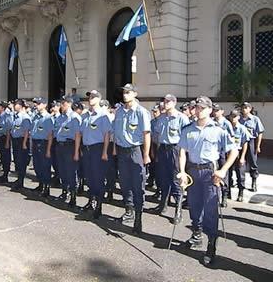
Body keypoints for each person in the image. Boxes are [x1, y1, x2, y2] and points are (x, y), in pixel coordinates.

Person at [177, 96, 238, 266]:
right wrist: (182, 172)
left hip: (210, 174)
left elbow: (233, 151)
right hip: (193, 172)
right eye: (197, 107)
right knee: (194, 206)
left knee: (210, 210)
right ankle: (196, 235)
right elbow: (182, 152)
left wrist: (223, 170)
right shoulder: (188, 129)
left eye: (202, 108)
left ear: (210, 110)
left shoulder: (218, 130)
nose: (199, 110)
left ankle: (211, 244)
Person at [113, 83, 151, 235]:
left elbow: (146, 134)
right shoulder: (120, 111)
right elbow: (116, 132)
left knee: (137, 184)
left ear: (135, 94)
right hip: (122, 151)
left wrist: (146, 154)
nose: (125, 95)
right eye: (124, 92)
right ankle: (129, 210)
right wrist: (115, 148)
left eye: (128, 92)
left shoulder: (141, 112)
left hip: (135, 151)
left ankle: (138, 217)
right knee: (124, 182)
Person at [151, 94, 190, 224]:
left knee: (176, 180)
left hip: (175, 150)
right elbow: (156, 134)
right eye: (164, 101)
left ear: (174, 102)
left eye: (168, 101)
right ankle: (163, 205)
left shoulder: (181, 118)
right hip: (162, 149)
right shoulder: (161, 118)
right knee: (163, 178)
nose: (165, 103)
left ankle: (178, 210)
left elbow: (187, 136)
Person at [80, 90, 111, 219]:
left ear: (99, 99)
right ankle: (91, 200)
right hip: (87, 149)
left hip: (97, 149)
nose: (90, 99)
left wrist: (104, 152)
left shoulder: (103, 115)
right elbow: (81, 133)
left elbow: (107, 135)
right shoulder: (85, 115)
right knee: (89, 176)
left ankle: (99, 204)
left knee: (98, 177)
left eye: (93, 97)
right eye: (89, 97)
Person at [55, 96, 82, 206]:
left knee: (71, 171)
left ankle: (73, 195)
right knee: (62, 170)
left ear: (69, 104)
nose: (61, 105)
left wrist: (76, 152)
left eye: (63, 103)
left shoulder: (74, 117)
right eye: (61, 103)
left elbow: (77, 135)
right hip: (60, 145)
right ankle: (64, 191)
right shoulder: (60, 118)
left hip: (69, 146)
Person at [30, 97, 54, 197]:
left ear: (44, 105)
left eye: (39, 103)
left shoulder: (48, 118)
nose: (36, 105)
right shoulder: (35, 117)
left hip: (43, 143)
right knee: (37, 165)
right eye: (36, 103)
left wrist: (48, 149)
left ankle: (46, 187)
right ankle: (40, 184)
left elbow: (50, 135)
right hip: (35, 142)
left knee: (45, 166)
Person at [212, 103, 234, 207]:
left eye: (217, 110)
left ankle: (224, 195)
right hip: (214, 151)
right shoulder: (211, 122)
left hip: (223, 151)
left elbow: (232, 139)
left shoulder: (226, 123)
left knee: (224, 174)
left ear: (222, 111)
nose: (215, 112)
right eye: (214, 110)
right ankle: (215, 195)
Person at [240, 102, 265, 192]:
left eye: (246, 107)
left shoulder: (255, 119)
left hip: (251, 142)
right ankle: (240, 183)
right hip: (241, 143)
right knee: (240, 164)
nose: (244, 109)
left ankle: (253, 182)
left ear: (250, 109)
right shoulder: (239, 119)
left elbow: (260, 133)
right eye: (243, 107)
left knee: (253, 163)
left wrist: (258, 146)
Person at [228, 109, 250, 202]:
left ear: (238, 117)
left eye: (235, 116)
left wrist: (242, 157)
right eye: (232, 116)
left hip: (239, 152)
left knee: (240, 175)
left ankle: (240, 193)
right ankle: (227, 192)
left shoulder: (242, 128)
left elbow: (245, 143)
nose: (233, 118)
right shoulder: (227, 127)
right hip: (228, 153)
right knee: (228, 174)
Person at [10, 99, 32, 190]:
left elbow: (27, 131)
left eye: (17, 104)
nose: (15, 106)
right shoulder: (16, 116)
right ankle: (18, 179)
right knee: (17, 161)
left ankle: (21, 181)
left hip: (22, 140)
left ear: (21, 106)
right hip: (15, 140)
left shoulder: (25, 117)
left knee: (21, 161)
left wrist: (24, 143)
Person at [0, 101, 12, 183]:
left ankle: (6, 174)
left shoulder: (6, 116)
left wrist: (7, 142)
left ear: (2, 108)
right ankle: (4, 174)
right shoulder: (0, 116)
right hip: (0, 138)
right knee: (2, 156)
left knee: (6, 157)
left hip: (5, 138)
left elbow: (8, 130)